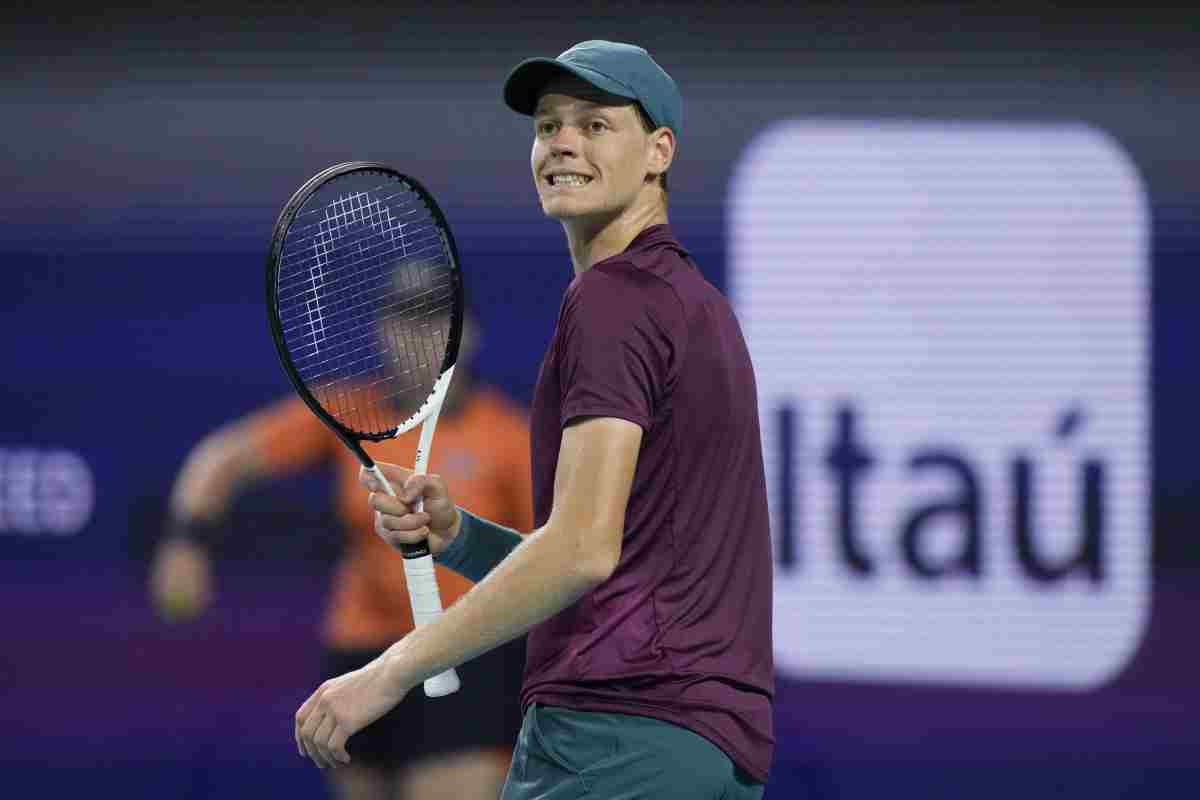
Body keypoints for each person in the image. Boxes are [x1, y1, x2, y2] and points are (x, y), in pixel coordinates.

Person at [294, 40, 775, 798]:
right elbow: (620, 566)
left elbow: (580, 551)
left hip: (613, 735)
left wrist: (390, 671)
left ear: (659, 151)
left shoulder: (612, 301)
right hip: (708, 747)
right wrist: (461, 539)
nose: (562, 144)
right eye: (548, 126)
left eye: (594, 124)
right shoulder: (696, 305)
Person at [150, 313, 531, 800]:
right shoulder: (347, 410)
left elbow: (538, 558)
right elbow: (217, 460)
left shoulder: (510, 436)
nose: (420, 337)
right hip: (359, 653)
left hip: (465, 658)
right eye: (406, 321)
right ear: (382, 332)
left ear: (470, 334)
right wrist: (186, 542)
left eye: (436, 321)